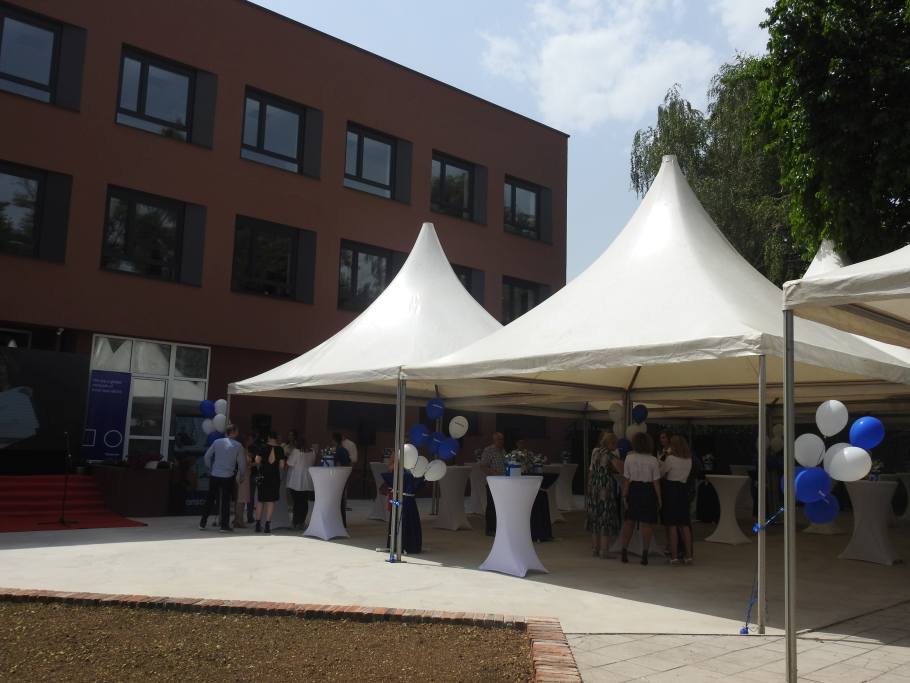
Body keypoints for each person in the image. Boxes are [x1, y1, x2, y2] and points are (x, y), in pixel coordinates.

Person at [620, 431, 662, 565]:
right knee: (647, 523)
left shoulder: (629, 458)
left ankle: (624, 551)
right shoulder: (653, 460)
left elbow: (626, 479)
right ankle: (645, 553)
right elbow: (656, 482)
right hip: (648, 491)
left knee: (629, 522)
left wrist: (624, 495)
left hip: (634, 490)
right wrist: (659, 498)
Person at [200, 424, 246, 532]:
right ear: (234, 432)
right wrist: (242, 474)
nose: (238, 433)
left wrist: (209, 468)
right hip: (227, 476)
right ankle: (224, 526)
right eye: (237, 431)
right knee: (225, 501)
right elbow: (241, 463)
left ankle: (202, 523)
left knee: (210, 498)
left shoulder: (217, 442)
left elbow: (207, 456)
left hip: (215, 474)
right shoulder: (238, 445)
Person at [586, 431, 623, 558]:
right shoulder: (610, 455)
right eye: (615, 443)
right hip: (605, 487)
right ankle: (604, 550)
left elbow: (591, 470)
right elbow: (622, 469)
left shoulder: (596, 452)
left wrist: (589, 486)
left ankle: (594, 549)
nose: (616, 446)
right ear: (610, 443)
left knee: (595, 517)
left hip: (594, 486)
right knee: (604, 517)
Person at [661, 435, 694, 565]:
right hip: (683, 490)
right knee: (684, 524)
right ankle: (689, 555)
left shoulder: (670, 459)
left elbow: (662, 473)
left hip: (671, 490)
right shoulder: (689, 459)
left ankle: (674, 556)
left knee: (672, 524)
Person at [254, 432, 285, 534]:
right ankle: (267, 525)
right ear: (276, 438)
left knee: (260, 500)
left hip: (263, 476)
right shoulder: (280, 449)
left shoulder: (262, 447)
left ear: (268, 437)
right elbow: (282, 465)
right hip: (274, 477)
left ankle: (257, 524)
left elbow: (257, 460)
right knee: (271, 501)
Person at [285, 430, 315, 530]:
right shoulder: (312, 452)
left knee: (297, 502)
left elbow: (289, 464)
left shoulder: (296, 452)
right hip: (307, 480)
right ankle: (302, 522)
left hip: (296, 480)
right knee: (304, 502)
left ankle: (295, 522)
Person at [479, 432, 506, 536]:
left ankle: (499, 528)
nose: (501, 441)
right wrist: (493, 472)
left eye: (502, 439)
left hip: (504, 482)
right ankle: (490, 529)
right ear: (494, 440)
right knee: (492, 506)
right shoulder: (488, 450)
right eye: (499, 439)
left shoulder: (503, 451)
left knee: (501, 506)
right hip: (493, 482)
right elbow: (482, 466)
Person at [331, 432, 352, 526]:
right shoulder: (345, 450)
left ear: (334, 440)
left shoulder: (337, 451)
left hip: (338, 477)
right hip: (344, 476)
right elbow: (349, 462)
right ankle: (343, 522)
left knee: (337, 499)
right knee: (341, 499)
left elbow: (336, 464)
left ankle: (337, 521)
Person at [234, 435, 252, 529]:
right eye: (250, 440)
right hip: (243, 476)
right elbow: (243, 463)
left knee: (241, 499)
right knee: (241, 499)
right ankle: (239, 521)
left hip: (245, 475)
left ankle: (238, 519)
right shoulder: (242, 450)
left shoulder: (245, 450)